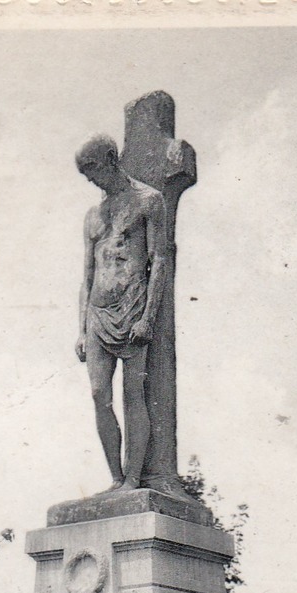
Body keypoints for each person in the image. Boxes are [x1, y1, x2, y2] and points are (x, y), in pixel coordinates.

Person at [75, 134, 167, 492]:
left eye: (93, 170)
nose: (91, 179)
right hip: (98, 312)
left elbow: (159, 259)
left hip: (132, 309)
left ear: (111, 159)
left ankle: (132, 479)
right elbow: (86, 275)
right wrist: (81, 328)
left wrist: (148, 316)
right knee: (99, 394)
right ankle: (115, 478)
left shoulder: (148, 201)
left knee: (133, 395)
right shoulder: (93, 216)